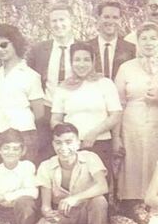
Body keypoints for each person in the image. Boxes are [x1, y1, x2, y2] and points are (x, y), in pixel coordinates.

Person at [113, 22, 158, 213]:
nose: (148, 43)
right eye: (144, 38)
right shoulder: (126, 67)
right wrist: (116, 136)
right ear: (137, 42)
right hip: (133, 123)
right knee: (133, 163)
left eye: (153, 38)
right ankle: (133, 208)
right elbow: (118, 104)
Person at [36, 123, 110, 224]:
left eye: (68, 142)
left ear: (78, 144)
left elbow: (103, 186)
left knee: (99, 201)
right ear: (53, 145)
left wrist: (75, 198)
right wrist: (48, 213)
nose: (63, 147)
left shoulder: (90, 158)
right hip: (64, 215)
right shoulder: (46, 166)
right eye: (58, 143)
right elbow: (45, 206)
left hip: (87, 214)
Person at [51, 42, 122, 179]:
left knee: (99, 188)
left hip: (100, 143)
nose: (81, 64)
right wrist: (69, 138)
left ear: (93, 61)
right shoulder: (63, 87)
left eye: (86, 59)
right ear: (71, 62)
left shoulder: (105, 83)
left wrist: (93, 134)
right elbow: (55, 119)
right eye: (77, 60)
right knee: (75, 184)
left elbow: (116, 114)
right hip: (71, 146)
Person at [26, 4, 80, 160]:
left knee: (75, 154)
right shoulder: (39, 50)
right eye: (54, 21)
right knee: (45, 155)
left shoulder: (83, 48)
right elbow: (31, 79)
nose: (58, 25)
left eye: (62, 20)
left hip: (74, 108)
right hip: (47, 110)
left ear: (71, 21)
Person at [0, 23, 44, 167]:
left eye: (4, 45)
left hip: (23, 136)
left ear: (15, 43)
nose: (0, 49)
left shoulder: (30, 75)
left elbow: (39, 113)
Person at [87, 0, 135, 81]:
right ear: (98, 19)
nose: (110, 21)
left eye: (115, 17)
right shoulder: (87, 47)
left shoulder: (131, 49)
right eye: (106, 17)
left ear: (120, 21)